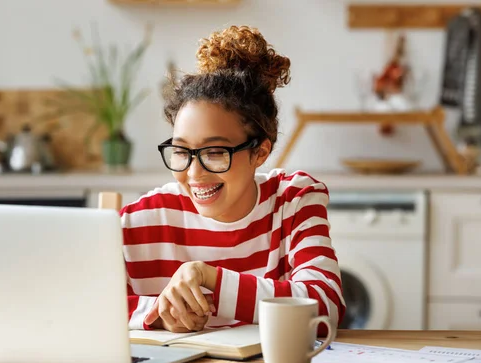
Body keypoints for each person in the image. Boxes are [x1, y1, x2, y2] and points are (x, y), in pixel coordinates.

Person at [120, 25, 345, 335]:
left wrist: (207, 276)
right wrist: (156, 313)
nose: (194, 173)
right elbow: (76, 302)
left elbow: (325, 307)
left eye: (214, 152)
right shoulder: (141, 219)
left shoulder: (293, 200)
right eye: (182, 151)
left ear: (260, 152)